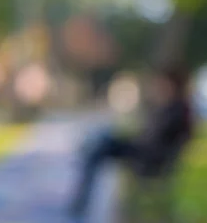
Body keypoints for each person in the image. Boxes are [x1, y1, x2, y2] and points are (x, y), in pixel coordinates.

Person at [69, 66, 194, 218]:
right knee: (103, 140)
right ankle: (87, 157)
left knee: (101, 145)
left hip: (148, 158)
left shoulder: (176, 109)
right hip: (145, 152)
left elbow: (154, 140)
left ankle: (80, 200)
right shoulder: (173, 108)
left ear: (173, 84)